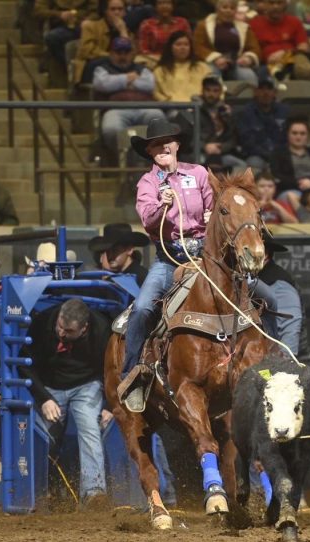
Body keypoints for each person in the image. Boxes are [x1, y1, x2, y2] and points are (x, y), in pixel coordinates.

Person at [118, 118, 214, 412]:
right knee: (144, 307)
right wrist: (162, 206)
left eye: (167, 141)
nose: (163, 147)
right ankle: (131, 374)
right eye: (156, 144)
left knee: (248, 291)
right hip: (169, 256)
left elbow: (213, 204)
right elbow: (147, 220)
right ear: (150, 151)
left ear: (177, 145)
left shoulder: (198, 173)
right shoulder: (148, 183)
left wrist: (212, 218)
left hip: (205, 255)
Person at [20, 298, 111, 506]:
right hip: (50, 388)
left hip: (87, 384)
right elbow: (25, 364)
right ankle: (42, 493)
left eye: (68, 331)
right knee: (43, 435)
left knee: (89, 428)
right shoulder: (43, 323)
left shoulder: (101, 330)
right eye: (60, 326)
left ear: (84, 328)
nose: (61, 333)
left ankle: (94, 494)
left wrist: (109, 406)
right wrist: (43, 399)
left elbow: (112, 368)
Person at [90, 36, 163, 157]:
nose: (123, 56)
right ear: (111, 53)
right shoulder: (102, 68)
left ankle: (150, 158)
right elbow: (102, 84)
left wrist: (117, 83)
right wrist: (127, 78)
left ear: (132, 53)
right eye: (118, 52)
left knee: (158, 120)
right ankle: (121, 156)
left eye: (126, 52)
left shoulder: (141, 69)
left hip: (145, 107)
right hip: (115, 109)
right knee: (111, 129)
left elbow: (149, 85)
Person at [193, 0, 262, 85]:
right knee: (212, 76)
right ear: (217, 9)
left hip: (236, 62)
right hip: (212, 62)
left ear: (235, 11)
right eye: (225, 7)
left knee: (248, 75)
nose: (228, 11)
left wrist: (248, 58)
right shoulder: (203, 26)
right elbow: (198, 46)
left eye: (232, 8)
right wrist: (215, 58)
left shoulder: (244, 28)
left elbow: (254, 47)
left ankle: (251, 98)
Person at [249, 0, 310, 81]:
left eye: (279, 3)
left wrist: (285, 54)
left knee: (305, 67)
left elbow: (303, 47)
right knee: (263, 75)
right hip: (266, 65)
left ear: (285, 5)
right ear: (265, 5)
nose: (276, 6)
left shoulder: (294, 22)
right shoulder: (254, 24)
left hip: (292, 60)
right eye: (271, 3)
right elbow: (251, 49)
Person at [235, 77, 289, 172]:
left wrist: (278, 153)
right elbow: (247, 142)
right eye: (262, 89)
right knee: (254, 163)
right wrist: (268, 154)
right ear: (255, 92)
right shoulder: (245, 112)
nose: (265, 93)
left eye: (269, 89)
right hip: (256, 155)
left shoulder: (284, 111)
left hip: (281, 153)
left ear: (275, 92)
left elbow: (287, 137)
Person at [72, 0, 132, 85]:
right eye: (113, 9)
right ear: (106, 11)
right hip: (92, 66)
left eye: (120, 9)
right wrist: (112, 56)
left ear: (124, 12)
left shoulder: (126, 30)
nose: (117, 12)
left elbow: (131, 54)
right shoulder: (90, 26)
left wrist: (123, 32)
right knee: (109, 60)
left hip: (116, 66)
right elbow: (88, 52)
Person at [34, 0, 96, 76]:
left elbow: (96, 11)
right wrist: (59, 14)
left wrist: (88, 20)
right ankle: (73, 68)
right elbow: (39, 10)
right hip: (62, 27)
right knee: (52, 38)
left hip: (85, 26)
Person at [152, 31, 213, 103]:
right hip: (172, 108)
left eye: (186, 44)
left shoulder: (203, 67)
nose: (183, 48)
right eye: (178, 44)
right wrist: (168, 102)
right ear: (170, 47)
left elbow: (216, 89)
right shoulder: (160, 70)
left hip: (200, 107)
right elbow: (155, 93)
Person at [136, 0, 190, 67]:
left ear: (173, 6)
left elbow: (189, 45)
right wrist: (160, 59)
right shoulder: (147, 24)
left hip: (179, 59)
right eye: (160, 3)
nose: (164, 6)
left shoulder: (182, 22)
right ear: (155, 7)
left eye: (168, 3)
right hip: (154, 60)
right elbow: (143, 49)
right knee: (139, 60)